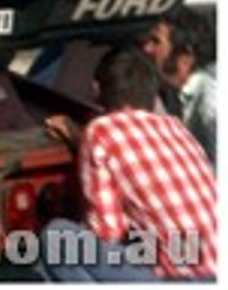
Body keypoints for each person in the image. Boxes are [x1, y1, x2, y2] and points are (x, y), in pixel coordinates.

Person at [42, 46, 216, 281]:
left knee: (57, 236)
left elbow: (107, 231)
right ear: (153, 95)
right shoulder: (176, 127)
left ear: (96, 89)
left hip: (180, 277)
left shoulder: (100, 132)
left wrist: (83, 143)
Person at [141, 7, 216, 163]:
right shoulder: (183, 94)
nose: (147, 48)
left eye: (156, 42)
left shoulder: (211, 102)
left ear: (185, 57)